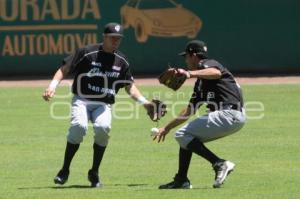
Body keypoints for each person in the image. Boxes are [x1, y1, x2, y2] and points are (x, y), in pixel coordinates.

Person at [42, 22, 156, 188]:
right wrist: (52, 87)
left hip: (103, 104)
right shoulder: (87, 52)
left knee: (103, 129)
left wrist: (145, 102)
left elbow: (129, 85)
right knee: (79, 127)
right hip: (82, 99)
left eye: (118, 38)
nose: (115, 41)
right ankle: (64, 170)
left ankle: (94, 172)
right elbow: (64, 69)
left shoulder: (122, 60)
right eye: (112, 38)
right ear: (104, 37)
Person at [153, 40, 246, 189]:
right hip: (231, 118)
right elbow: (188, 111)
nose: (186, 60)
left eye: (186, 57)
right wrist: (166, 128)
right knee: (186, 137)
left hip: (229, 113)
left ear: (194, 56)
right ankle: (181, 180)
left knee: (183, 134)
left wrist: (189, 73)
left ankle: (219, 163)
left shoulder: (207, 63)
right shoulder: (200, 83)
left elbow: (216, 73)